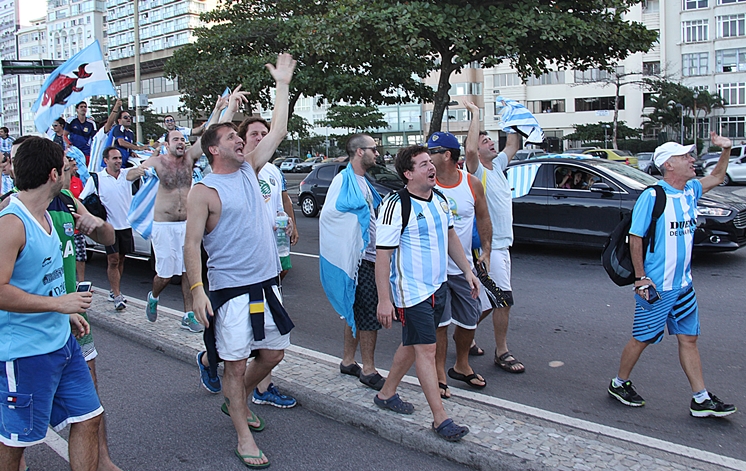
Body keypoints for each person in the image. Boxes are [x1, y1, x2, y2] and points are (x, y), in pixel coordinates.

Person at [184, 53, 296, 468]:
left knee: (272, 356)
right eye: (232, 136)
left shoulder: (250, 169)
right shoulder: (204, 192)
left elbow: (280, 129)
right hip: (230, 293)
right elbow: (191, 245)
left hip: (267, 285)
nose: (240, 140)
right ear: (214, 148)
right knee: (233, 365)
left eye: (240, 136)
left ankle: (239, 399)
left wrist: (282, 83)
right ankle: (243, 433)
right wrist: (197, 291)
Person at [607, 133, 737, 418]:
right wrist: (641, 278)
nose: (692, 160)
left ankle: (701, 398)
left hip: (684, 286)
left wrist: (726, 149)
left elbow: (717, 175)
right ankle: (619, 383)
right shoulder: (654, 196)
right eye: (685, 157)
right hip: (657, 286)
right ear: (668, 164)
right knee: (642, 338)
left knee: (689, 339)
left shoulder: (691, 190)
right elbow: (636, 237)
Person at [0, 136, 103, 471]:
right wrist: (59, 305)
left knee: (89, 417)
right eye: (65, 165)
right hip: (25, 354)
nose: (69, 170)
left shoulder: (46, 215)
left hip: (62, 342)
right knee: (17, 444)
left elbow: (43, 280)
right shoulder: (12, 223)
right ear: (54, 174)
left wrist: (66, 314)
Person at [374, 145, 478, 442]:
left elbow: (451, 237)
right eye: (422, 165)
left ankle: (386, 393)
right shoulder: (396, 205)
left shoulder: (440, 200)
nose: (431, 168)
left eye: (430, 163)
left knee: (414, 345)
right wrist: (385, 299)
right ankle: (440, 418)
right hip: (413, 293)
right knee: (427, 350)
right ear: (408, 173)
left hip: (438, 287)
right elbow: (383, 257)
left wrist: (468, 271)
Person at [320, 133, 387, 391]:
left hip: (367, 257)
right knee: (368, 315)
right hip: (359, 260)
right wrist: (356, 220)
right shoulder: (343, 181)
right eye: (373, 149)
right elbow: (331, 216)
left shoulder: (360, 181)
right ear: (360, 152)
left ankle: (348, 361)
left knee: (355, 312)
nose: (377, 153)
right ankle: (368, 370)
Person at [428, 132, 492, 399]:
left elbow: (484, 218)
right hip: (435, 271)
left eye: (433, 151)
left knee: (469, 321)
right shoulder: (427, 185)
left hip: (464, 267)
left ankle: (461, 364)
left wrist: (486, 251)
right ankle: (440, 374)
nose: (427, 157)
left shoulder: (471, 183)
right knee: (440, 325)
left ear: (446, 155)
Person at [464, 101, 525, 373]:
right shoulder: (475, 171)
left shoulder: (498, 166)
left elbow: (513, 144)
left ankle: (464, 334)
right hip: (489, 248)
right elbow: (468, 149)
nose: (490, 142)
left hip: (503, 246)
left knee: (488, 301)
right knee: (502, 299)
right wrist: (476, 115)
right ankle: (502, 352)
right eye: (484, 140)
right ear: (477, 151)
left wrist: (515, 116)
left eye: (490, 139)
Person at [138, 129, 204, 333]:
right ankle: (154, 297)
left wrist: (220, 108)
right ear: (167, 144)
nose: (181, 142)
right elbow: (132, 173)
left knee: (188, 271)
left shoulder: (189, 159)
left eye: (183, 139)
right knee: (165, 276)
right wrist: (139, 171)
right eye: (176, 139)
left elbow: (209, 133)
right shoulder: (158, 162)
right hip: (164, 225)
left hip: (186, 224)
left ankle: (188, 315)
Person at [79, 146, 145, 310]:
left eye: (119, 158)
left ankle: (113, 289)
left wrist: (157, 151)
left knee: (121, 259)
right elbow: (81, 200)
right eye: (114, 158)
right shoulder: (97, 179)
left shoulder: (125, 175)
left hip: (125, 226)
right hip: (108, 228)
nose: (118, 161)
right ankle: (117, 295)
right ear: (105, 160)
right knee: (113, 259)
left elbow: (144, 168)